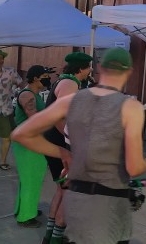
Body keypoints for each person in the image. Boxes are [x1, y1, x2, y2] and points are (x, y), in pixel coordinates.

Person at [11, 48, 146, 243]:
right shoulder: (131, 107)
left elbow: (20, 134)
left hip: (78, 203)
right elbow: (134, 167)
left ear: (99, 68)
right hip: (111, 207)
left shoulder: (72, 100)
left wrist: (63, 153)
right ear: (129, 72)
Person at [41, 51, 93, 244]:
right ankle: (56, 238)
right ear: (81, 68)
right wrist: (73, 139)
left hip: (54, 141)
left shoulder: (65, 81)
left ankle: (49, 236)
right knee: (68, 190)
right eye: (88, 67)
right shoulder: (70, 84)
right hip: (59, 142)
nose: (90, 71)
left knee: (61, 189)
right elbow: (59, 117)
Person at [12, 65, 52, 228]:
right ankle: (25, 217)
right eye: (44, 76)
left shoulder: (33, 94)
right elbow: (35, 120)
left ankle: (24, 209)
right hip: (29, 143)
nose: (47, 79)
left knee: (28, 179)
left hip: (30, 141)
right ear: (35, 78)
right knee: (32, 179)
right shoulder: (28, 95)